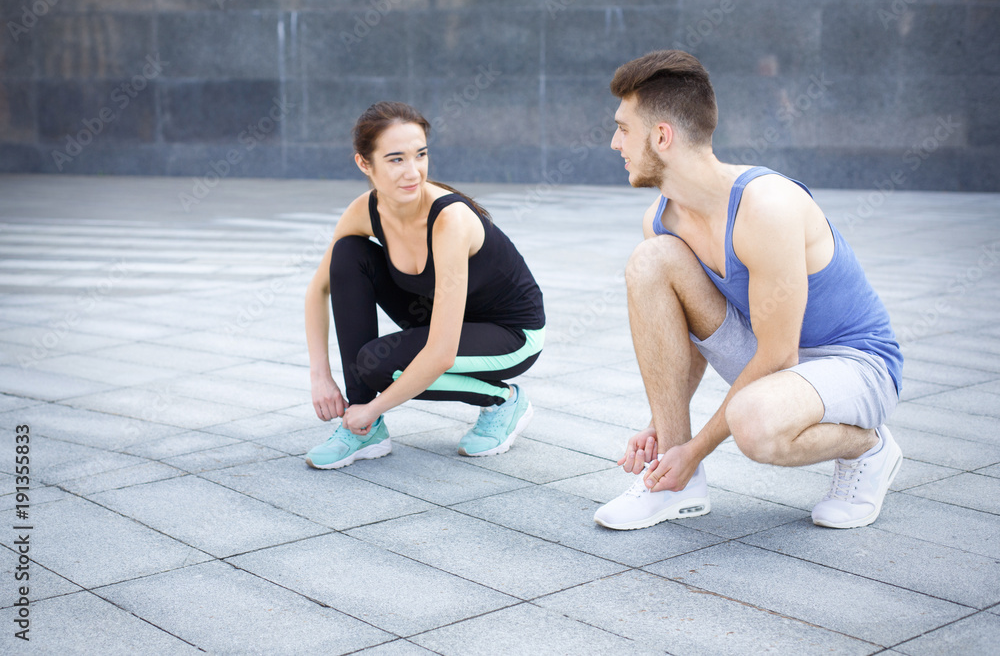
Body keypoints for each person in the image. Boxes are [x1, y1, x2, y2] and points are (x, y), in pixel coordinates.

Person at [593, 50, 903, 531]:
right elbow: (689, 342)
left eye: (623, 128)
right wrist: (664, 427)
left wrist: (697, 449)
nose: (615, 143)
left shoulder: (766, 205)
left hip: (855, 363)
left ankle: (870, 446)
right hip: (777, 356)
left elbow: (779, 355)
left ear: (661, 136)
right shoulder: (663, 219)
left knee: (754, 426)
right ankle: (674, 484)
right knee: (650, 261)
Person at [303, 101, 545, 469]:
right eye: (396, 159)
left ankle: (505, 401)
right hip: (442, 319)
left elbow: (442, 353)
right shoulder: (364, 211)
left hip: (511, 333)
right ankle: (364, 433)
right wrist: (320, 377)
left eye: (421, 155)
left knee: (377, 365)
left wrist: (373, 406)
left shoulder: (450, 220)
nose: (412, 172)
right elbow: (318, 289)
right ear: (364, 164)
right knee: (348, 253)